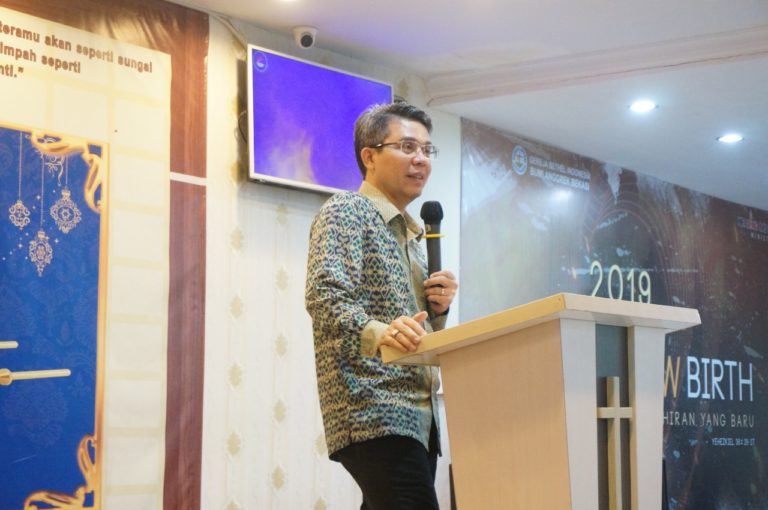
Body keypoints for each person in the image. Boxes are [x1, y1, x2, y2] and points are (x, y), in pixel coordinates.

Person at [305, 102, 458, 509]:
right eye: (407, 147)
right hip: (375, 408)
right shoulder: (347, 211)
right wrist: (381, 332)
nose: (421, 159)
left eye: (427, 150)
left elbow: (419, 335)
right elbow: (324, 294)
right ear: (369, 157)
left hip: (420, 418)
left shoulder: (414, 238)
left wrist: (439, 311)